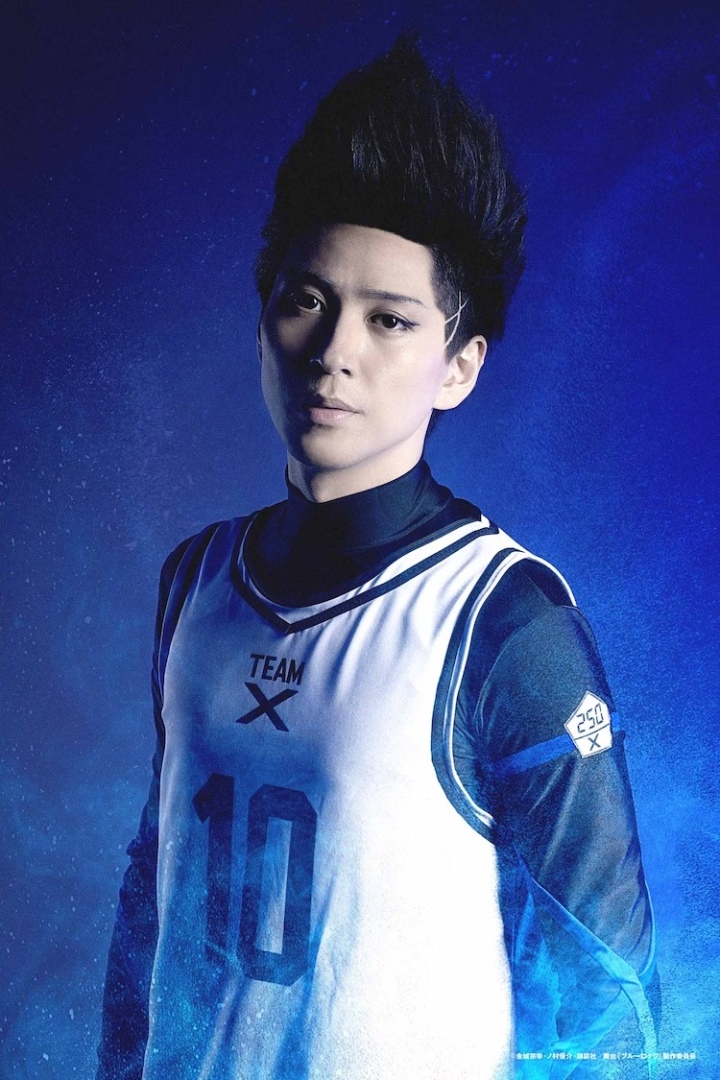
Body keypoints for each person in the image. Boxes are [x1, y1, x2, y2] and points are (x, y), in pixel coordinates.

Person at [97, 37, 657, 1080]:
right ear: (262, 320)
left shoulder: (505, 622)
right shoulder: (194, 582)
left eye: (390, 320)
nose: (335, 353)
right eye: (306, 300)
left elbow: (607, 993)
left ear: (459, 367)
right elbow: (151, 900)